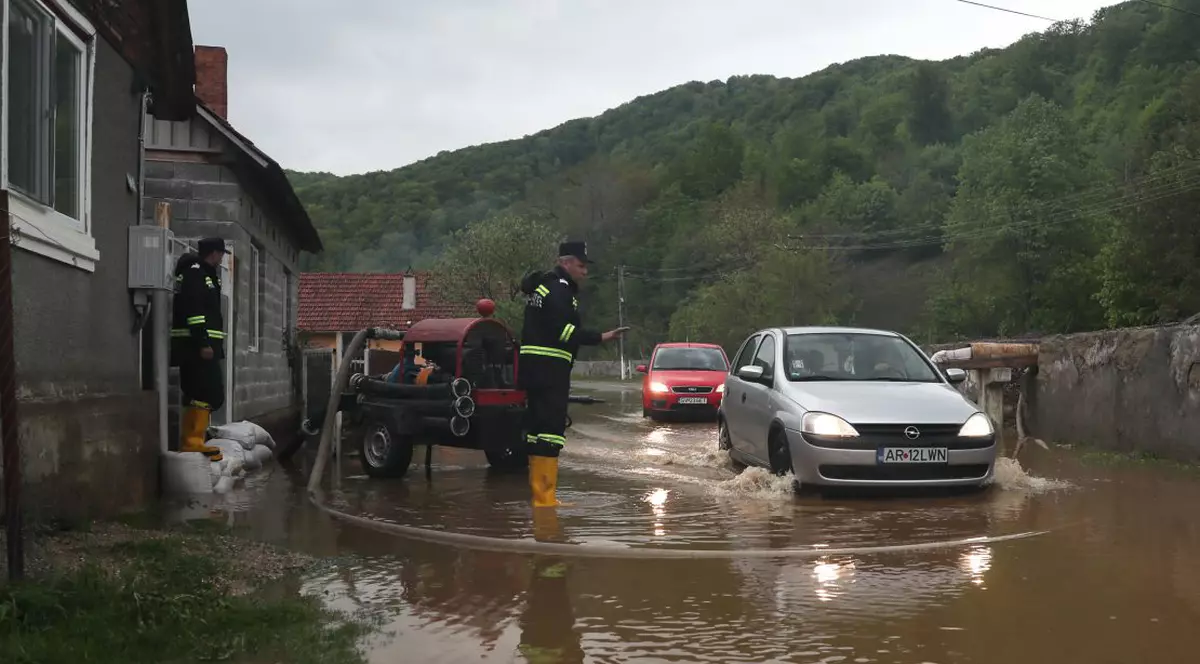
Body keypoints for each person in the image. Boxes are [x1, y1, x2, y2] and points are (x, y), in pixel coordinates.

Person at [518, 241, 627, 508]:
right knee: (551, 432)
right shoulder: (559, 289)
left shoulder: (543, 287)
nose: (585, 272)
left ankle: (540, 497)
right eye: (581, 265)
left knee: (537, 431)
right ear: (565, 262)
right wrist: (601, 337)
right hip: (550, 369)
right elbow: (565, 332)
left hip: (534, 368)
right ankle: (545, 501)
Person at [170, 237, 228, 462]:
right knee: (206, 392)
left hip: (203, 346)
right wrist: (202, 342)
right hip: (195, 347)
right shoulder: (195, 274)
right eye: (221, 254)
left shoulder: (205, 274)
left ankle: (194, 439)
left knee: (205, 393)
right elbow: (194, 311)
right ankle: (192, 441)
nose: (222, 258)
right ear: (214, 253)